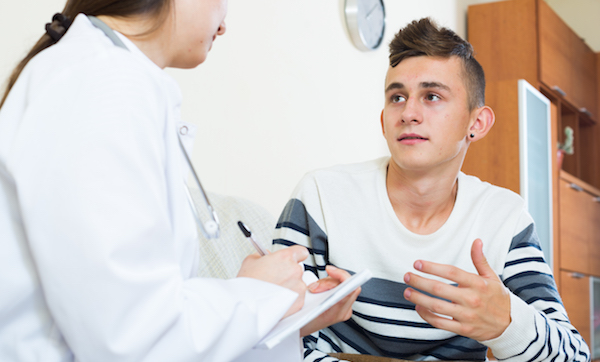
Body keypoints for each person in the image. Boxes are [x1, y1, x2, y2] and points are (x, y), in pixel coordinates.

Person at [0, 1, 359, 361]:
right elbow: (133, 340)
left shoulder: (108, 78)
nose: (223, 25)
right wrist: (257, 295)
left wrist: (283, 313)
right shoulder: (102, 85)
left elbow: (142, 324)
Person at [273, 18, 591, 362]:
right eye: (397, 97)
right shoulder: (320, 197)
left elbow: (573, 355)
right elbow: (268, 341)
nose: (409, 113)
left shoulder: (503, 217)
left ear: (477, 123)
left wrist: (506, 324)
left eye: (432, 96)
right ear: (383, 120)